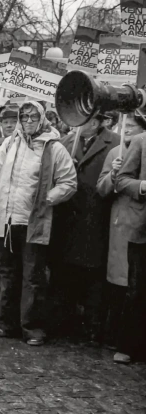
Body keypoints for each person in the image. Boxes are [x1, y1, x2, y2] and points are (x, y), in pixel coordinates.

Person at [0, 100, 77, 346]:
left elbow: (69, 182)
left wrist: (48, 197)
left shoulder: (54, 148)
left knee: (32, 276)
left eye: (33, 117)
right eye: (25, 117)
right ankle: (5, 323)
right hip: (7, 220)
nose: (29, 122)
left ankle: (31, 327)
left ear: (42, 119)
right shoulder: (10, 143)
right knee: (7, 273)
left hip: (34, 221)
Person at [53, 112, 120, 343]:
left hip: (96, 219)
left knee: (94, 277)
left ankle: (93, 326)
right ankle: (64, 322)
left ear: (98, 121)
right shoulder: (65, 142)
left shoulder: (116, 143)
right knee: (65, 273)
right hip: (68, 219)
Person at [97, 113, 146, 352]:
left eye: (132, 127)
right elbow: (105, 188)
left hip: (136, 222)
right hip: (124, 222)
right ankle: (116, 336)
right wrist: (115, 173)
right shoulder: (116, 152)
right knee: (122, 282)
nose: (126, 130)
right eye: (124, 126)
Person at [113, 126, 146, 363]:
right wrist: (142, 186)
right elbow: (122, 180)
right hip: (142, 228)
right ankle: (128, 346)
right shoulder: (140, 141)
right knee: (137, 289)